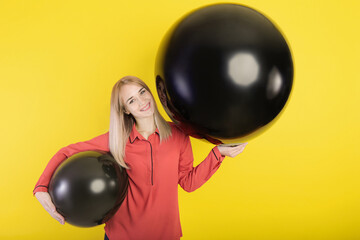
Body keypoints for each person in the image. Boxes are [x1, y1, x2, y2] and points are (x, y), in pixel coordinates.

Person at [33, 76, 248, 240]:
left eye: (143, 92)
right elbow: (66, 152)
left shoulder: (179, 135)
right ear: (125, 110)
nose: (142, 102)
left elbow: (188, 183)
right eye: (132, 100)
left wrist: (218, 154)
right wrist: (41, 188)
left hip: (166, 235)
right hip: (122, 236)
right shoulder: (116, 140)